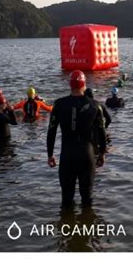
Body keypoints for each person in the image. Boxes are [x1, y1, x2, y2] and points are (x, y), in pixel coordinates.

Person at [46, 70, 106, 208]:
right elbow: (102, 131)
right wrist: (102, 153)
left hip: (67, 156)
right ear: (84, 85)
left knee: (66, 200)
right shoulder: (95, 105)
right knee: (87, 199)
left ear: (70, 85)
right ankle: (87, 225)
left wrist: (50, 155)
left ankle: (67, 226)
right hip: (87, 155)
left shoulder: (59, 104)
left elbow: (51, 131)